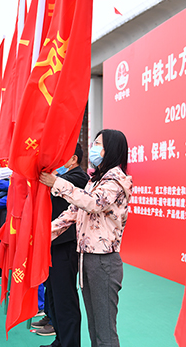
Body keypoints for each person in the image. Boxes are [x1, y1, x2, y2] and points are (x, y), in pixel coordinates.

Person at [39, 130, 133, 347]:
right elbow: (72, 213)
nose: (93, 148)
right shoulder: (95, 180)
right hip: (88, 259)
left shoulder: (116, 181)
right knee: (95, 326)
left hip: (103, 262)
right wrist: (42, 235)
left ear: (112, 149)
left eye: (98, 144)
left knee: (105, 330)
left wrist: (57, 184)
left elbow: (92, 203)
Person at [35, 143, 89, 346]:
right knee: (54, 296)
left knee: (65, 298)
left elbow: (59, 184)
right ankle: (60, 340)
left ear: (73, 159)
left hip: (66, 246)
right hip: (52, 243)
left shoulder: (78, 178)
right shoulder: (62, 178)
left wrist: (52, 177)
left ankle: (69, 343)